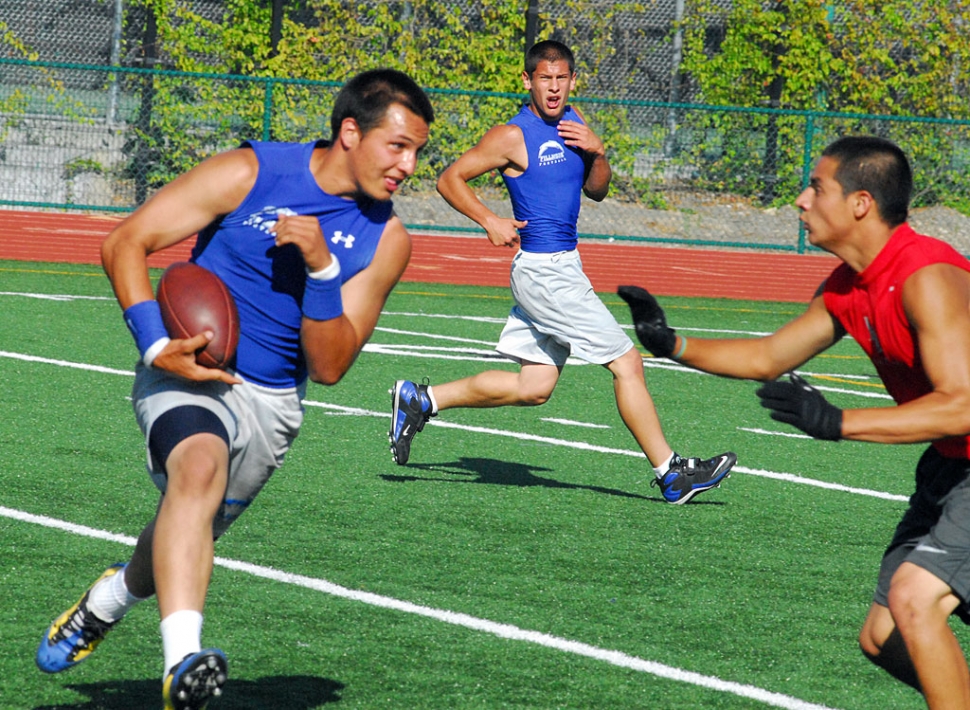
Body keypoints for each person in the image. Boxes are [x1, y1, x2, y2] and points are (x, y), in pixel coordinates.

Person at [35, 68, 434, 710]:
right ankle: (182, 664)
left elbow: (330, 366)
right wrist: (156, 345)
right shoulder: (251, 172)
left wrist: (324, 270)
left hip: (274, 406)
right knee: (198, 469)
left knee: (184, 526)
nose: (409, 166)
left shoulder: (388, 241)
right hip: (188, 375)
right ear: (350, 132)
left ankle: (106, 602)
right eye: (398, 146)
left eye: (418, 151)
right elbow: (126, 241)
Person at [619, 135, 970, 709]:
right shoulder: (847, 288)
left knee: (914, 600)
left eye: (816, 187)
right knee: (883, 638)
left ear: (860, 202)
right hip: (950, 467)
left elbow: (963, 404)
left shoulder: (925, 277)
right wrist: (671, 342)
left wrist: (838, 422)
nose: (801, 201)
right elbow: (767, 358)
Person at [387, 39, 735, 504]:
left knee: (534, 387)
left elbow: (597, 192)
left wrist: (599, 152)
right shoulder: (512, 135)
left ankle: (421, 400)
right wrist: (489, 220)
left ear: (572, 80)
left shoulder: (575, 123)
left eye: (561, 79)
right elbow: (449, 178)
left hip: (561, 267)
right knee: (627, 362)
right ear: (527, 81)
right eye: (544, 79)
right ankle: (671, 474)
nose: (553, 88)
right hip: (544, 270)